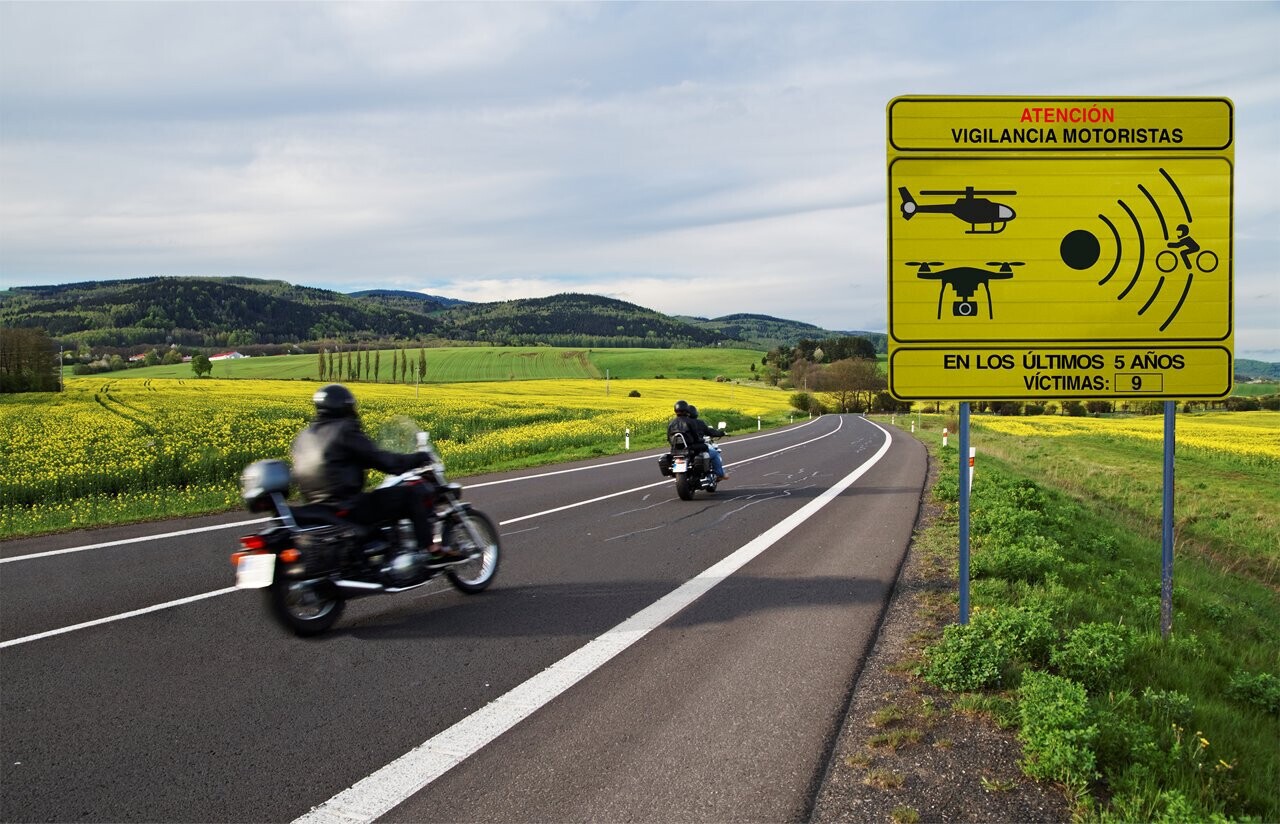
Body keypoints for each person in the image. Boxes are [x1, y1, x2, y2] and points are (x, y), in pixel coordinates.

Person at [291, 384, 464, 562]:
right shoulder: (344, 430)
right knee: (413, 493)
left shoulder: (304, 436)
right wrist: (417, 458)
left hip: (319, 508)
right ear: (345, 406)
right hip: (348, 506)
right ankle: (431, 548)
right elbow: (382, 460)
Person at [667, 400, 726, 481]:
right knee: (714, 453)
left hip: (676, 450)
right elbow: (695, 436)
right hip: (691, 447)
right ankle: (720, 474)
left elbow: (668, 437)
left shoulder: (671, 423)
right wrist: (701, 441)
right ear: (686, 409)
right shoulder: (690, 422)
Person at [688, 405, 727, 480]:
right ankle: (720, 474)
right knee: (715, 453)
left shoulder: (678, 423)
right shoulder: (699, 423)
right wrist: (721, 433)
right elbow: (710, 431)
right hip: (696, 447)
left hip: (681, 450)